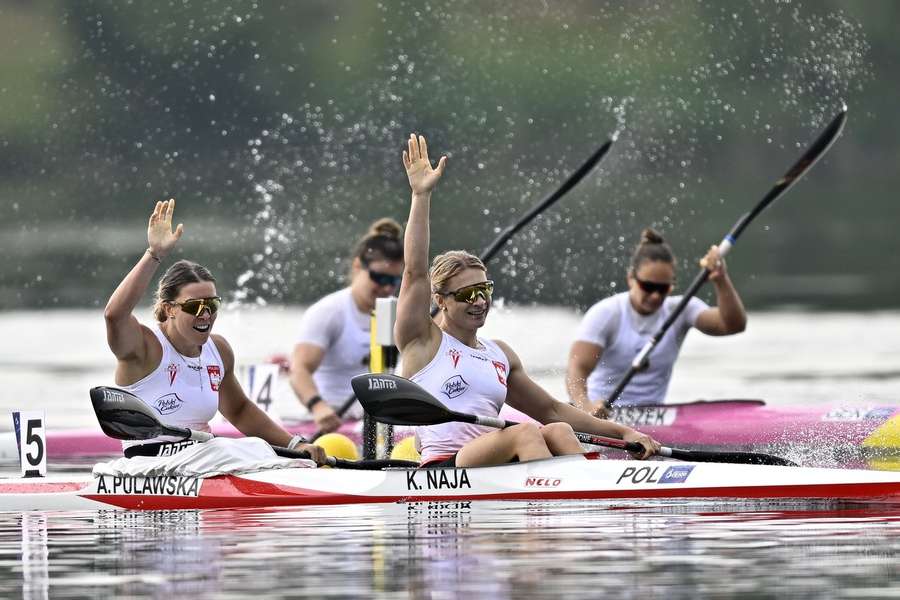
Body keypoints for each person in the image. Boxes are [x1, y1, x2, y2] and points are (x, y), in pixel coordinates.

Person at [395, 133, 660, 468]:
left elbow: (551, 410)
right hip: (445, 467)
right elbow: (414, 272)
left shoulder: (500, 354)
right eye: (466, 294)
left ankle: (589, 498)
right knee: (525, 433)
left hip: (493, 462)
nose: (479, 301)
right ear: (440, 300)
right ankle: (558, 499)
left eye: (485, 290)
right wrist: (421, 195)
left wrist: (623, 432)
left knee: (559, 429)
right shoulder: (422, 340)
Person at [103, 199, 326, 464]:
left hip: (205, 458)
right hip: (148, 464)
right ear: (170, 308)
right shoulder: (144, 347)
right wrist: (154, 255)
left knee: (275, 454)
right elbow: (114, 315)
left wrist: (294, 444)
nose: (205, 314)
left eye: (212, 304)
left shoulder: (218, 351)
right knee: (253, 450)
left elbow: (240, 410)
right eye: (195, 306)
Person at [566, 228, 747, 416]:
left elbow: (733, 325)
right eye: (648, 286)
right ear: (631, 279)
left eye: (663, 288)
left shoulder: (681, 309)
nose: (655, 296)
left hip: (655, 417)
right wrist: (585, 408)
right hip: (603, 415)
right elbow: (576, 369)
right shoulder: (606, 314)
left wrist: (721, 279)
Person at [288, 218, 404, 433]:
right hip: (333, 421)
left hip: (380, 423)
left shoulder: (401, 312)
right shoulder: (329, 312)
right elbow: (298, 370)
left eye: (394, 281)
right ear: (358, 265)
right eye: (379, 277)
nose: (387, 288)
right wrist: (318, 407)